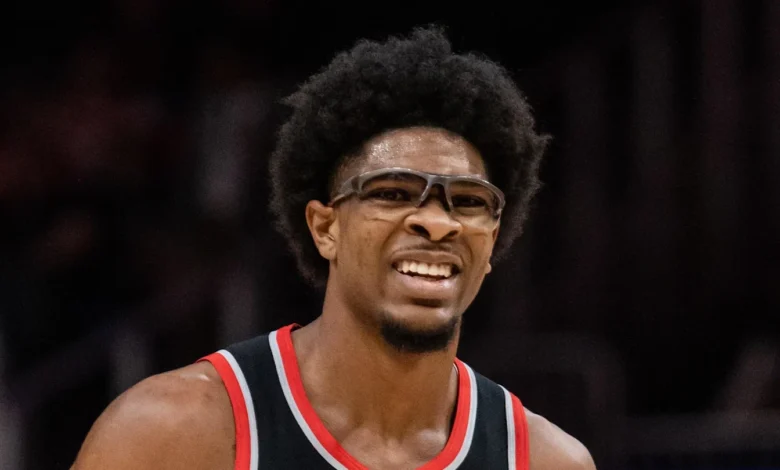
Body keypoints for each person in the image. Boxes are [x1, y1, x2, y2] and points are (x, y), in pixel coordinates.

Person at [71, 27, 596, 470]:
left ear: (493, 241)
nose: (437, 223)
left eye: (468, 201)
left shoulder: (546, 460)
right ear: (325, 228)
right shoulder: (172, 432)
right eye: (393, 193)